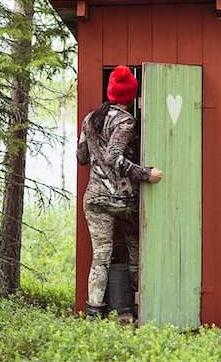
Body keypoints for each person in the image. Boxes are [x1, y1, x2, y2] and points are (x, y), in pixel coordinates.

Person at [76, 65, 163, 319]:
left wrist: (93, 145)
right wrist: (147, 174)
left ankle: (94, 316)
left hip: (94, 198)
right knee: (136, 247)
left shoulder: (90, 118)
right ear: (131, 96)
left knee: (100, 258)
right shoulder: (126, 121)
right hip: (122, 199)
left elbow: (82, 157)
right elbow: (115, 157)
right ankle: (136, 308)